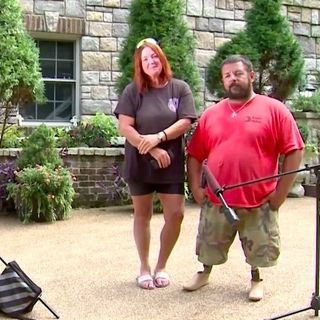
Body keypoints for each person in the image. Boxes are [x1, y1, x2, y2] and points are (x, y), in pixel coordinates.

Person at [183, 54, 304, 301]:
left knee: (259, 249)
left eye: (237, 74)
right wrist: (195, 187)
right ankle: (204, 273)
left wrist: (280, 193)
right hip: (218, 199)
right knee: (208, 244)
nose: (232, 79)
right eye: (227, 76)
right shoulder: (211, 114)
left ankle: (257, 279)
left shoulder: (274, 110)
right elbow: (194, 154)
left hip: (258, 199)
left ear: (250, 76)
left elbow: (295, 150)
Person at [114, 38, 197, 290]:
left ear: (162, 58)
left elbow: (185, 121)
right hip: (140, 162)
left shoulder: (179, 88)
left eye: (155, 56)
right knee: (143, 214)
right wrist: (152, 148)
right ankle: (144, 267)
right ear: (140, 65)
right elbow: (125, 127)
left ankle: (161, 265)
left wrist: (159, 138)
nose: (151, 61)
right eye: (145, 59)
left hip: (170, 162)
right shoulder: (132, 91)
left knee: (176, 215)